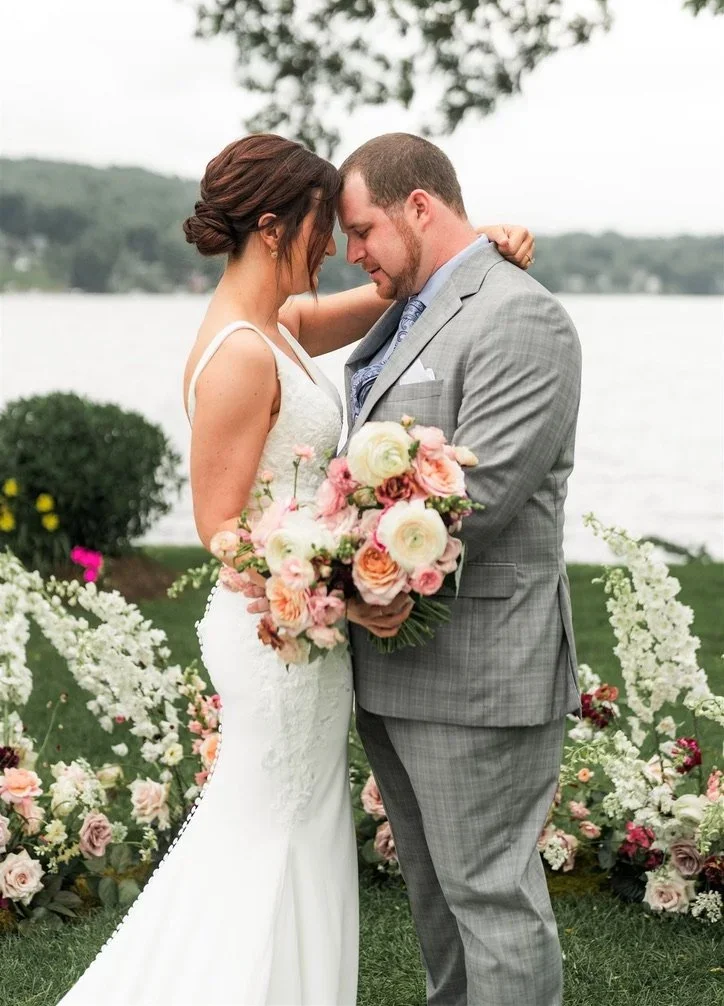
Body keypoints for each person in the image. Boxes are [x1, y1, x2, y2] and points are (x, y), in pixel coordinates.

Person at [57, 132, 534, 1006]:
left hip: (297, 634)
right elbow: (218, 527)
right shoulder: (240, 352)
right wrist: (340, 594)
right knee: (268, 842)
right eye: (327, 227)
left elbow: (382, 298)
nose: (340, 247)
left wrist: (477, 251)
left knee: (296, 839)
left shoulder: (272, 324)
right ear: (276, 227)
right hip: (278, 633)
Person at [337, 132, 582, 1006]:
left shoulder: (519, 315)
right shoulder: (406, 307)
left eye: (361, 230)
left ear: (419, 205)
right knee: (440, 902)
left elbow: (477, 496)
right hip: (396, 670)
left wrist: (337, 573)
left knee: (490, 899)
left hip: (483, 671)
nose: (353, 252)